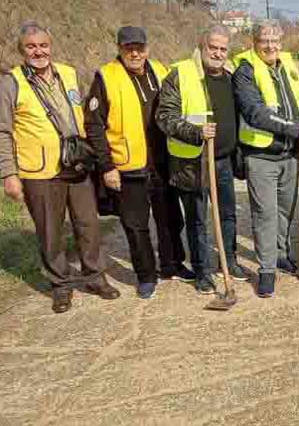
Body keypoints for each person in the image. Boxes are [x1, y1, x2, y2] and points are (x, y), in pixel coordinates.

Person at [0, 22, 119, 313]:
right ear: (22, 50)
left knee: (88, 223)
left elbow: (83, 114)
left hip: (75, 164)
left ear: (51, 47)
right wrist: (8, 174)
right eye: (31, 46)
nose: (38, 51)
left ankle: (94, 276)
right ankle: (61, 285)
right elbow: (3, 131)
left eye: (43, 45)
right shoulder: (11, 82)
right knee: (50, 230)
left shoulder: (68, 73)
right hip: (38, 171)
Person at [84, 26, 189, 300]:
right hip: (128, 166)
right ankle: (146, 276)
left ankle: (172, 264)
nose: (135, 52)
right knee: (135, 225)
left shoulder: (160, 70)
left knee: (170, 219)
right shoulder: (105, 77)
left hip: (163, 162)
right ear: (119, 48)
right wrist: (106, 167)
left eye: (139, 47)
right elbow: (94, 127)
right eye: (128, 47)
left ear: (147, 49)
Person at [155, 26, 251, 294]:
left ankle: (229, 261)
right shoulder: (181, 74)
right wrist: (196, 132)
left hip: (223, 160)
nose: (218, 53)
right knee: (198, 218)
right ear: (202, 46)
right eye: (213, 48)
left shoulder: (231, 77)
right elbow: (165, 117)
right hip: (194, 162)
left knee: (228, 214)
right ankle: (202, 271)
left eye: (223, 49)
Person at [233, 20, 299, 297]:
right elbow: (255, 112)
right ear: (254, 42)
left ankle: (281, 254)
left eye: (274, 41)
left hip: (290, 154)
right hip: (261, 156)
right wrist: (298, 129)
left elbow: (297, 102)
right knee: (265, 214)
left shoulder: (286, 64)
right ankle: (267, 269)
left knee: (286, 210)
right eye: (264, 41)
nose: (270, 46)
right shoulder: (245, 70)